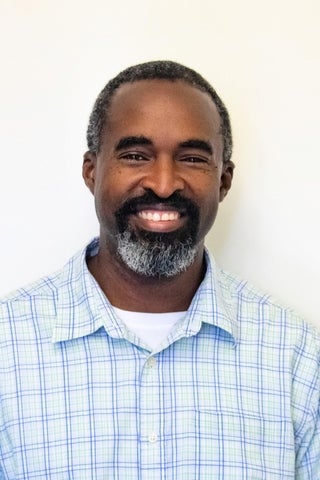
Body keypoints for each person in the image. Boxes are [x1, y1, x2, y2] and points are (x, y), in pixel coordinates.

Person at [0, 60, 319, 479]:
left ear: (223, 181)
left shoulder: (297, 357)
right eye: (135, 155)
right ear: (91, 170)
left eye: (191, 158)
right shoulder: (7, 348)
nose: (164, 184)